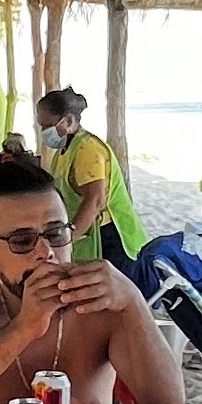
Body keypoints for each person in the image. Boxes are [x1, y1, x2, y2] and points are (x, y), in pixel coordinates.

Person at [0, 152, 183, 404]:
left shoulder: (102, 302)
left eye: (56, 234)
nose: (46, 252)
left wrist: (133, 302)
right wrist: (23, 328)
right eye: (22, 240)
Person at [35, 85, 141, 271]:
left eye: (47, 126)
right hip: (90, 232)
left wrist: (68, 239)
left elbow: (95, 201)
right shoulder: (65, 149)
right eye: (41, 126)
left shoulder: (87, 149)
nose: (44, 131)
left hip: (111, 237)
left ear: (68, 120)